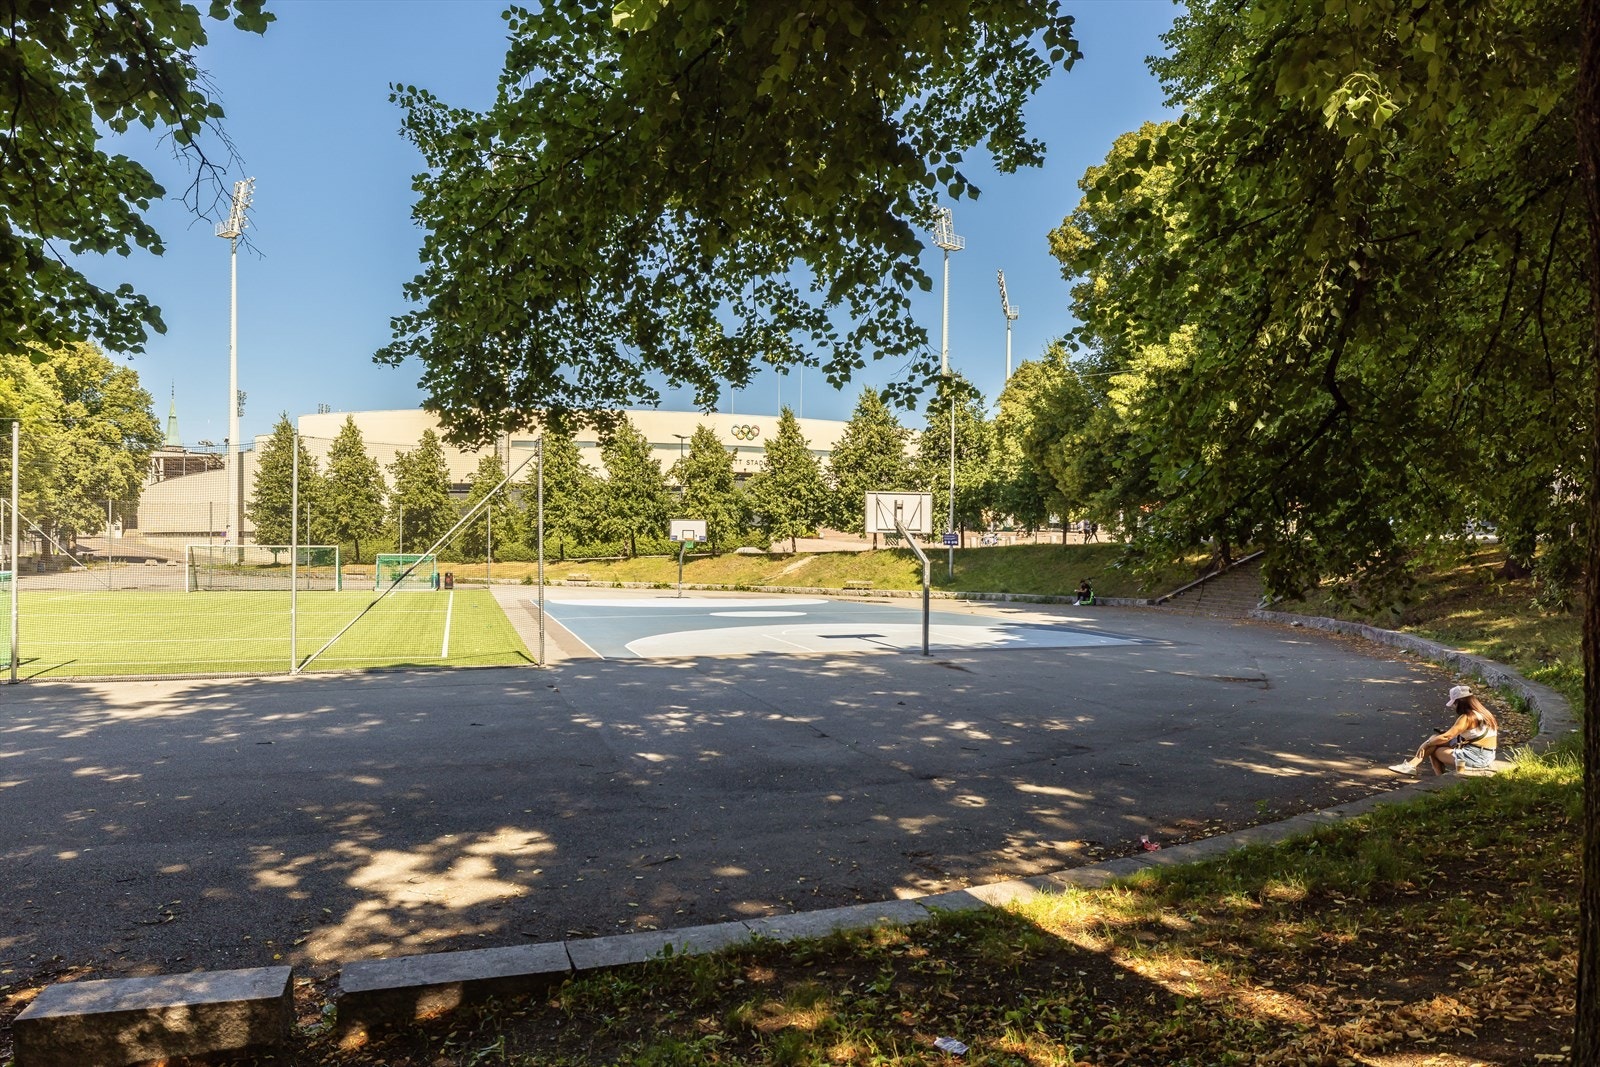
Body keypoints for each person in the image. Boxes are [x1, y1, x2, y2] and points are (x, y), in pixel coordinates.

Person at [1389, 685, 1498, 775]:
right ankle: (1411, 766)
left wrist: (1426, 744)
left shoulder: (1467, 717)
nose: (1455, 707)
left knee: (1434, 750)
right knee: (1434, 739)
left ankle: (1438, 778)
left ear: (1460, 702)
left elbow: (1447, 736)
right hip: (1485, 753)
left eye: (1455, 703)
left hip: (1477, 757)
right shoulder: (1484, 713)